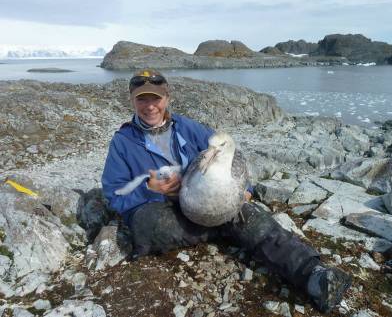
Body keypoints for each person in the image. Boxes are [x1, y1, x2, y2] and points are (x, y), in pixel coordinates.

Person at [101, 69, 352, 313]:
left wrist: (245, 189)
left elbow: (230, 155)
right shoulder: (123, 142)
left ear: (167, 98)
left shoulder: (188, 128)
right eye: (141, 99)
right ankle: (223, 229)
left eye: (155, 98)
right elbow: (114, 192)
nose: (149, 106)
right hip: (161, 207)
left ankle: (314, 275)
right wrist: (150, 189)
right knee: (150, 224)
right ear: (132, 101)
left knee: (254, 219)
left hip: (208, 203)